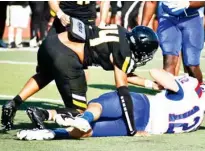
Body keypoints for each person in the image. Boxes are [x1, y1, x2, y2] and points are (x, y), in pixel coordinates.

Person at [1, 18, 159, 137]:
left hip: (50, 43)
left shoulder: (122, 32)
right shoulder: (124, 53)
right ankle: (43, 113)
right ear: (139, 47)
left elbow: (124, 74)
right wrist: (132, 130)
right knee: (80, 112)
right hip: (66, 56)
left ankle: (13, 104)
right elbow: (122, 89)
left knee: (44, 75)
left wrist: (150, 84)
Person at [16, 69, 205, 140]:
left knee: (98, 105)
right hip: (144, 127)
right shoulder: (197, 120)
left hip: (144, 105)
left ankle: (83, 118)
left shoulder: (189, 90)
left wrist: (174, 79)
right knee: (89, 133)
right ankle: (52, 134)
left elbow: (157, 73)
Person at [141, 1, 205, 83]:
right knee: (169, 60)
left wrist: (187, 4)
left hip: (192, 18)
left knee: (191, 64)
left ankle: (200, 91)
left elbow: (202, 2)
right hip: (167, 18)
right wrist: (143, 27)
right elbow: (151, 2)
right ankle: (169, 93)